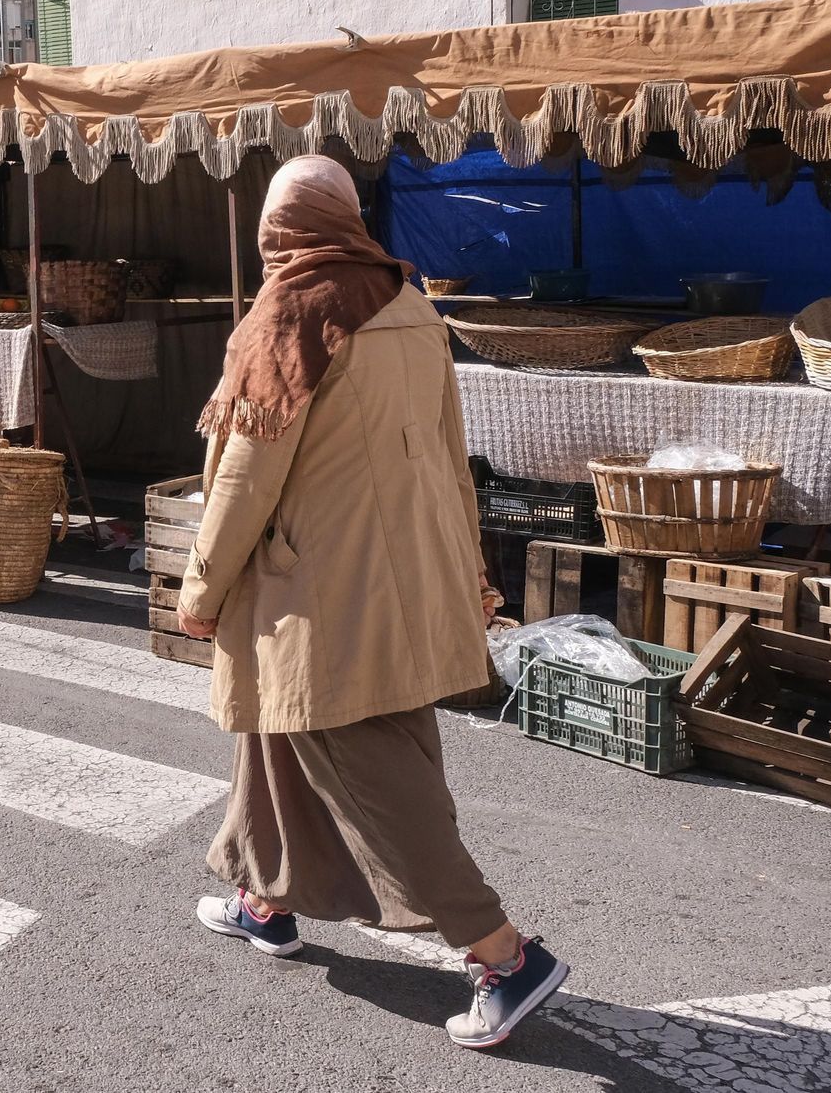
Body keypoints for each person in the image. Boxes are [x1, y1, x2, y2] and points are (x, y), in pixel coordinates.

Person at [178, 155, 567, 1050]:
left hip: (321, 590)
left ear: (280, 229)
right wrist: (469, 573)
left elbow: (245, 476)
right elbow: (450, 455)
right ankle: (265, 899)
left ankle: (506, 957)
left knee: (363, 763)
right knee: (282, 734)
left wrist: (200, 590)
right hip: (406, 574)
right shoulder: (412, 305)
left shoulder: (290, 314)